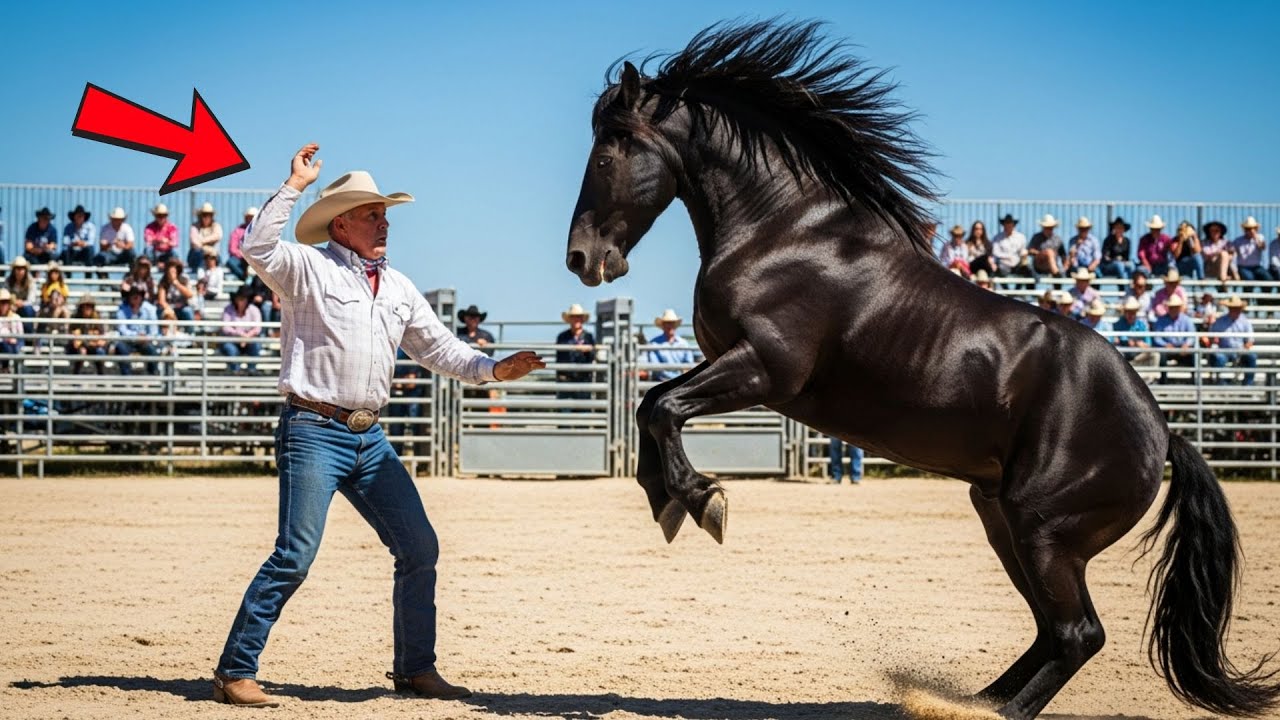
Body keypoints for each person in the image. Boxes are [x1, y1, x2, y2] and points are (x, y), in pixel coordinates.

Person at [213, 144, 545, 707]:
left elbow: (439, 349)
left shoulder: (397, 287)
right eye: (373, 213)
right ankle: (234, 670)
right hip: (313, 428)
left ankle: (416, 669)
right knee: (295, 554)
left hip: (369, 438)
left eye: (384, 213)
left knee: (419, 546)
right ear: (340, 223)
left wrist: (493, 369)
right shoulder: (307, 266)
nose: (385, 221)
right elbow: (257, 245)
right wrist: (293, 186)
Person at [1207, 295, 1256, 386]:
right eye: (1233, 308)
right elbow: (1212, 337)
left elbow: (1250, 341)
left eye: (1237, 308)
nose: (1235, 310)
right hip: (1224, 350)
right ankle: (1221, 383)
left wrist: (1243, 350)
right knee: (1219, 357)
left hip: (1240, 350)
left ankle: (1248, 384)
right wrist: (1214, 340)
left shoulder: (1245, 321)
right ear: (1229, 308)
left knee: (1251, 356)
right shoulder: (1220, 321)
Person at [111, 286, 159, 375]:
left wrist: (146, 337)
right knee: (120, 347)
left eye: (138, 295)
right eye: (132, 295)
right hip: (127, 341)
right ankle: (127, 377)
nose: (135, 297)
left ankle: (153, 376)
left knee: (152, 350)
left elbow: (153, 330)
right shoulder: (122, 309)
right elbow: (122, 329)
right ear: (128, 296)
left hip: (145, 341)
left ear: (141, 296)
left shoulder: (150, 309)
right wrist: (136, 336)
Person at [555, 302, 596, 401]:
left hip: (583, 379)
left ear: (582, 319)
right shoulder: (562, 337)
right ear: (569, 319)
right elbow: (560, 358)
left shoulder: (588, 336)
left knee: (583, 412)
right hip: (566, 380)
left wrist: (588, 350)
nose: (576, 319)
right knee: (565, 412)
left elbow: (593, 355)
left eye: (578, 317)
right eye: (573, 317)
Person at [1151, 294, 1195, 383]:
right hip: (1167, 348)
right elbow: (1157, 337)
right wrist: (1165, 345)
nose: (1174, 309)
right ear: (1168, 308)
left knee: (1194, 355)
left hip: (1183, 348)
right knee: (1162, 356)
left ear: (1179, 308)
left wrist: (1187, 344)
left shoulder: (1187, 320)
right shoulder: (1161, 320)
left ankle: (1193, 381)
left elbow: (1192, 335)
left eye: (1176, 307)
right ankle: (1163, 381)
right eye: (1172, 307)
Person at [218, 288, 262, 373]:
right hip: (232, 340)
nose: (240, 301)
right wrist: (240, 335)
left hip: (249, 340)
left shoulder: (254, 309)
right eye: (239, 298)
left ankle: (251, 370)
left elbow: (257, 328)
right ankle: (235, 371)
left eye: (243, 299)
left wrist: (246, 337)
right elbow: (225, 327)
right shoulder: (228, 309)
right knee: (230, 348)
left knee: (256, 345)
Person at [644, 309, 695, 382]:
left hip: (680, 382)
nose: (670, 326)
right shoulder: (653, 344)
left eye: (672, 323)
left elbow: (689, 365)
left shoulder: (684, 343)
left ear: (675, 325)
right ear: (663, 325)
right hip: (661, 382)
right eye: (668, 323)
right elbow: (656, 368)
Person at [67, 294, 108, 374]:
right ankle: (76, 376)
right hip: (77, 348)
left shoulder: (97, 318)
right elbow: (75, 341)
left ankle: (101, 376)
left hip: (93, 346)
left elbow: (101, 338)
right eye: (85, 306)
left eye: (90, 306)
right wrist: (88, 341)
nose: (87, 308)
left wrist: (92, 341)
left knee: (100, 352)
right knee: (81, 352)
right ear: (81, 307)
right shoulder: (75, 319)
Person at [1112, 296, 1155, 369]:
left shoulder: (1142, 325)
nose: (1131, 315)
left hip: (1138, 354)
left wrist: (1140, 344)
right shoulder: (1117, 325)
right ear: (1125, 312)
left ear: (1136, 312)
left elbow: (1148, 344)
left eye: (1133, 312)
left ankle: (1151, 376)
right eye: (1128, 312)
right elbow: (1114, 341)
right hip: (1124, 354)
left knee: (1155, 354)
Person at [94, 207, 137, 275]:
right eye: (115, 219)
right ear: (111, 219)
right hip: (110, 254)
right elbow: (102, 247)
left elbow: (131, 244)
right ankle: (104, 279)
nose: (117, 221)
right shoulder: (105, 228)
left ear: (122, 220)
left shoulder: (127, 228)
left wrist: (123, 246)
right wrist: (110, 244)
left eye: (119, 219)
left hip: (123, 254)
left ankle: (130, 276)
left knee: (132, 253)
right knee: (99, 257)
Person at [1231, 216, 1273, 285]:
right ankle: (1247, 295)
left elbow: (1263, 247)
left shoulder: (1260, 237)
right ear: (1245, 230)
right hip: (1243, 267)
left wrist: (1256, 238)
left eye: (1254, 228)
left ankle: (1264, 295)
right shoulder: (1238, 241)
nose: (1251, 230)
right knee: (1249, 279)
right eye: (1249, 229)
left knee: (1268, 278)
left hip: (1257, 267)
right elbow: (1232, 253)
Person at [60, 204, 97, 268]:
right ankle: (68, 275)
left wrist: (82, 243)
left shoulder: (91, 226)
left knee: (90, 249)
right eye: (78, 215)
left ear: (84, 217)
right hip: (72, 252)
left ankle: (88, 276)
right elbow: (65, 242)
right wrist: (74, 243)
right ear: (74, 216)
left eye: (81, 216)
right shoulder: (68, 227)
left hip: (84, 252)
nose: (79, 217)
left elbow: (91, 242)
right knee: (65, 251)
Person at [5, 257, 39, 327]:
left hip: (26, 309)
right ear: (14, 270)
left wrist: (22, 303)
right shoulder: (8, 281)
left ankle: (28, 336)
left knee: (28, 310)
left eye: (22, 268)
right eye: (17, 268)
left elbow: (32, 300)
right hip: (12, 307)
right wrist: (12, 303)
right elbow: (5, 295)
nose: (19, 271)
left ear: (25, 270)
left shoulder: (31, 281)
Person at [226, 206, 257, 282]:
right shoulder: (237, 231)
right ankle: (246, 277)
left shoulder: (261, 231)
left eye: (252, 217)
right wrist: (244, 255)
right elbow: (232, 249)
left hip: (255, 259)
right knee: (231, 262)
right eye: (249, 217)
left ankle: (251, 279)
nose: (250, 219)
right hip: (241, 259)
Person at [188, 202, 223, 269]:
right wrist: (208, 249)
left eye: (209, 215)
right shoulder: (194, 226)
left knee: (215, 257)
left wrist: (201, 241)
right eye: (204, 215)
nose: (206, 217)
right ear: (200, 216)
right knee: (198, 252)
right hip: (197, 257)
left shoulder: (216, 226)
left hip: (212, 256)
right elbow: (194, 242)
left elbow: (217, 236)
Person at [1201, 220, 1233, 288]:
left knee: (1225, 255)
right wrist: (1219, 253)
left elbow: (1232, 255)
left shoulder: (1226, 242)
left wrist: (1224, 255)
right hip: (1210, 268)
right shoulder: (1204, 243)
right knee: (1224, 254)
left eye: (1217, 230)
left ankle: (1223, 277)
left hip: (1225, 267)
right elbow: (1206, 256)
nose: (1214, 233)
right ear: (1209, 232)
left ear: (1221, 232)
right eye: (1212, 231)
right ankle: (1223, 278)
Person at [0, 289, 23, 371]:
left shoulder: (16, 317)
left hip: (14, 344)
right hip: (3, 344)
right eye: (2, 302)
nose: (3, 305)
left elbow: (20, 334)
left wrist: (14, 339)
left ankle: (6, 368)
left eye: (6, 302)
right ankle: (5, 367)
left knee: (12, 348)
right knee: (3, 345)